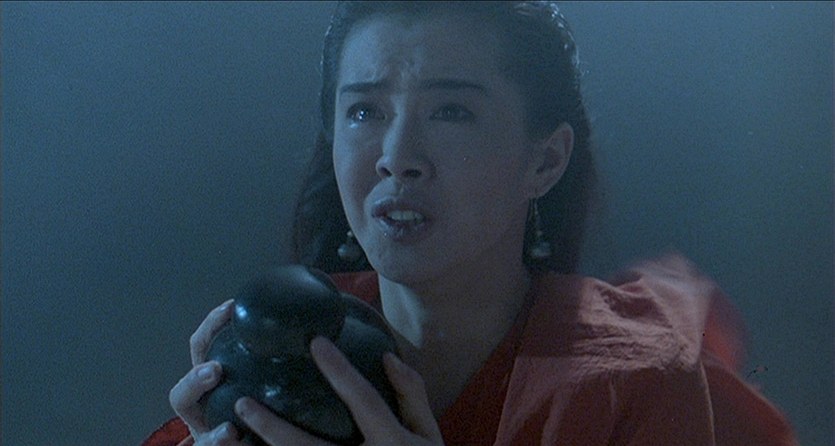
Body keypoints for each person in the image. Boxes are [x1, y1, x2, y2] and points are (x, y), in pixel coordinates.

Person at [144, 2, 798, 445]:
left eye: (451, 112)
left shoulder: (633, 387)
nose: (397, 157)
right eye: (364, 112)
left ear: (545, 160)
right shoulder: (279, 352)